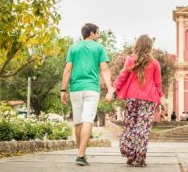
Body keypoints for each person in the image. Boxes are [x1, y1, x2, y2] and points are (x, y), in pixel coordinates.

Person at [60, 23, 114, 166]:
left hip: (75, 89)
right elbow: (104, 70)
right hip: (91, 89)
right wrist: (110, 88)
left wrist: (63, 90)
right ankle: (81, 155)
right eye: (97, 33)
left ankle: (80, 153)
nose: (98, 35)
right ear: (91, 33)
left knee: (78, 121)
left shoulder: (73, 48)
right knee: (88, 120)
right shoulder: (99, 48)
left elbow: (67, 70)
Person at [113, 35, 163, 167]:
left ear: (137, 45)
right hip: (148, 99)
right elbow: (158, 85)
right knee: (143, 128)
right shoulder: (155, 63)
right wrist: (158, 101)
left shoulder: (130, 60)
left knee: (131, 125)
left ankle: (130, 154)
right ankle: (139, 157)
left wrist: (113, 88)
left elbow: (122, 76)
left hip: (132, 97)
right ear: (150, 47)